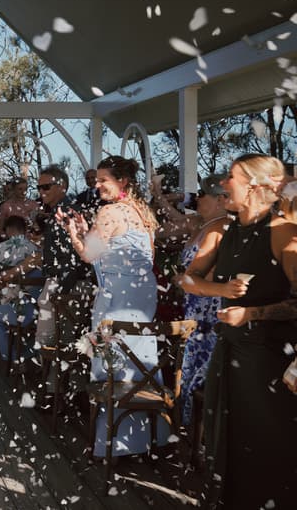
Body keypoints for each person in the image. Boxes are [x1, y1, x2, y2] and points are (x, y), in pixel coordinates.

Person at [179, 154, 297, 509]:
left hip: (268, 360)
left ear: (256, 187)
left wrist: (252, 313)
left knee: (266, 443)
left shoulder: (283, 234)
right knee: (223, 440)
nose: (223, 185)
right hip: (227, 351)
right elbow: (186, 279)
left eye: (231, 177)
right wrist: (221, 290)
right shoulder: (220, 229)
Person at [59, 155, 161, 458]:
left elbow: (89, 254)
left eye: (104, 179)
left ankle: (114, 444)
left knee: (115, 359)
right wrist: (87, 229)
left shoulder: (110, 211)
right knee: (138, 357)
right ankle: (144, 440)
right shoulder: (142, 212)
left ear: (123, 182)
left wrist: (74, 233)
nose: (98, 184)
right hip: (142, 293)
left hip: (116, 294)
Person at [171, 174, 228, 427]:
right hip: (194, 307)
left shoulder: (220, 229)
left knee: (198, 375)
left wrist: (185, 280)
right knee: (188, 369)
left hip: (209, 310)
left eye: (202, 195)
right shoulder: (204, 225)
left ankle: (199, 438)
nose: (198, 199)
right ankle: (190, 435)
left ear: (219, 200)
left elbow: (213, 273)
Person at [34, 165, 93, 347]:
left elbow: (74, 256)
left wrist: (61, 292)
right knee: (59, 344)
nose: (42, 192)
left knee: (52, 344)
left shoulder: (68, 212)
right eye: (39, 188)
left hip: (67, 286)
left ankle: (51, 376)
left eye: (46, 187)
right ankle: (52, 375)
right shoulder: (59, 211)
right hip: (63, 285)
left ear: (62, 186)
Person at [0, 216, 41, 362]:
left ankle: (9, 356)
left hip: (13, 303)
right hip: (37, 306)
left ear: (7, 231)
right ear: (24, 230)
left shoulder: (1, 248)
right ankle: (26, 351)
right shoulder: (35, 250)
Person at [0, 177, 39, 241]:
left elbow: (38, 226)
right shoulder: (5, 206)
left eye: (25, 189)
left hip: (31, 243)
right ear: (13, 190)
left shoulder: (34, 205)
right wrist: (9, 241)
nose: (23, 192)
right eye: (20, 189)